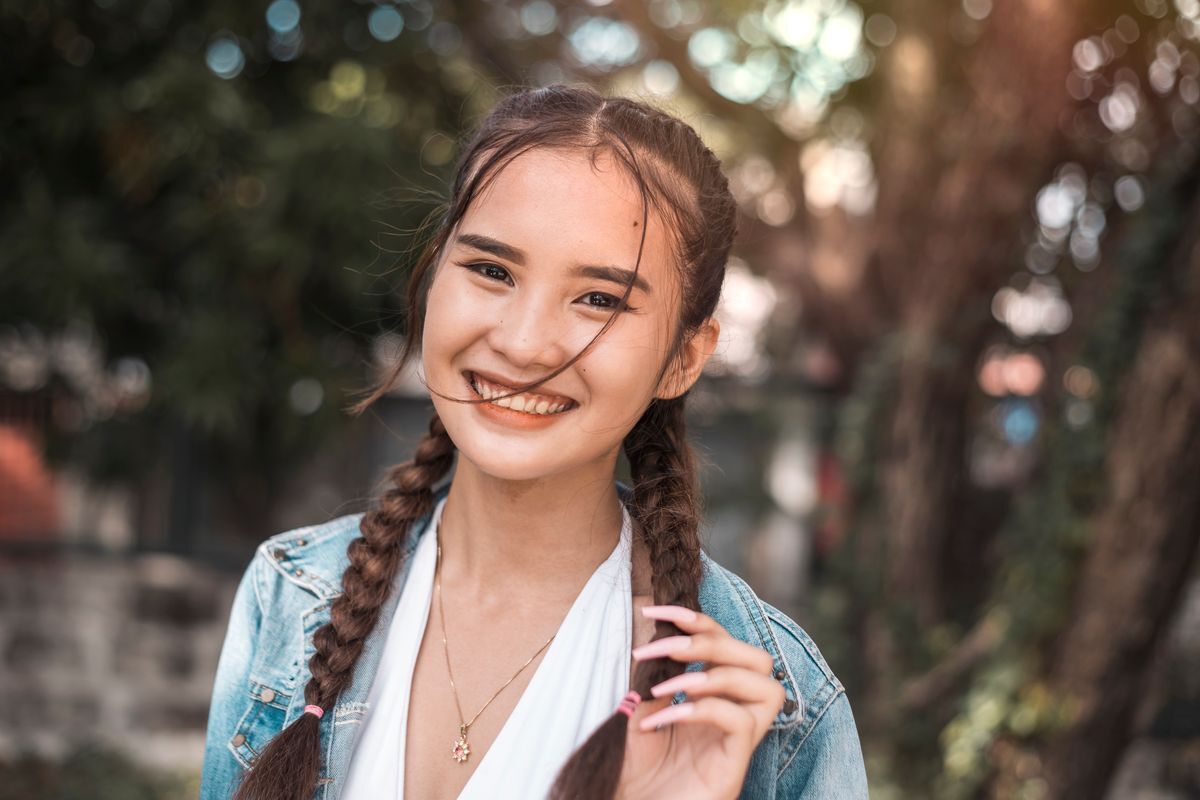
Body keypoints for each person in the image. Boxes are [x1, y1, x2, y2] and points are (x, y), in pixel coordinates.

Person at [199, 83, 869, 800]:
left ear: (685, 357)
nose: (522, 344)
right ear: (433, 274)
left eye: (599, 299)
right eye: (492, 270)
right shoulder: (292, 597)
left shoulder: (777, 711)